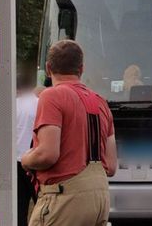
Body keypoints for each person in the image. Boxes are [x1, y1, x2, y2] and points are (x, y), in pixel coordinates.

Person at [21, 40, 117, 226]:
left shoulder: (52, 96)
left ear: (48, 69)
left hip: (66, 199)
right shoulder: (100, 102)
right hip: (100, 199)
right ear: (81, 69)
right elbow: (111, 166)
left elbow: (47, 154)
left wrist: (26, 159)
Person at [15, 71, 40, 225]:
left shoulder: (12, 106)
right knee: (42, 205)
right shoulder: (40, 103)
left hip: (16, 162)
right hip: (37, 161)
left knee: (19, 208)